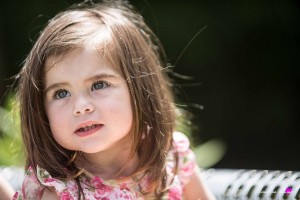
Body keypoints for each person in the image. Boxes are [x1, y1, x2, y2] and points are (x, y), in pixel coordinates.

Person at [13, 1, 215, 199]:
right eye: (61, 93)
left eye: (99, 85)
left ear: (139, 88)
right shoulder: (59, 190)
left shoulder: (172, 157)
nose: (81, 107)